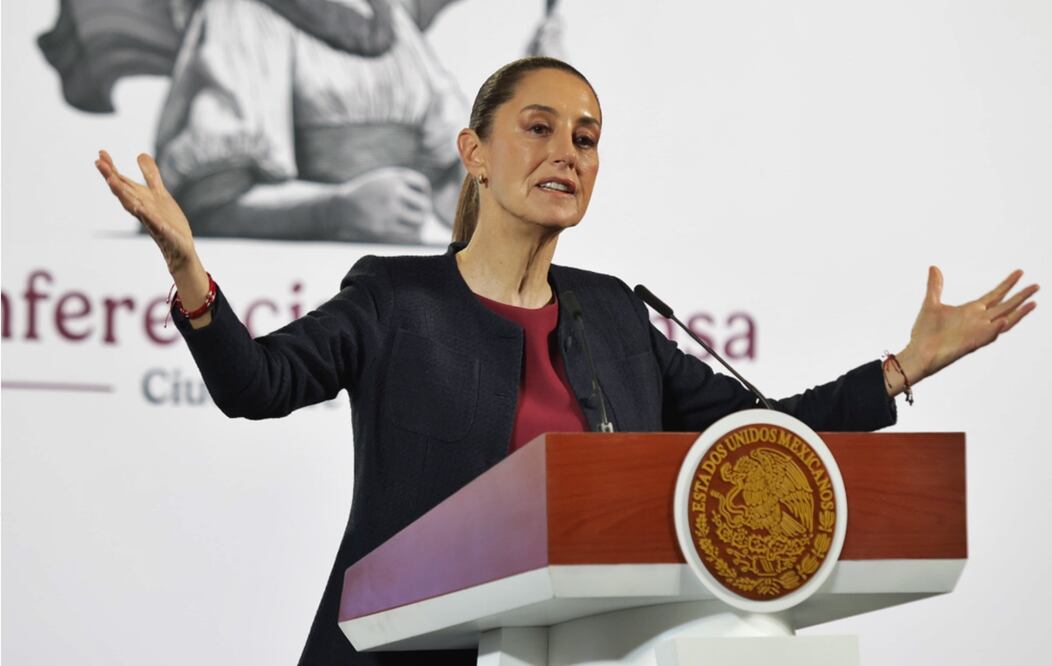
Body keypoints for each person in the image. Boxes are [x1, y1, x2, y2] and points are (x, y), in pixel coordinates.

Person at [95, 56, 1037, 666]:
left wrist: (904, 366)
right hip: (401, 653)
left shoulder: (618, 317)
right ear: (473, 151)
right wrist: (187, 265)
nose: (568, 152)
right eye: (539, 128)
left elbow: (755, 449)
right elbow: (255, 385)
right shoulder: (396, 299)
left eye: (586, 138)